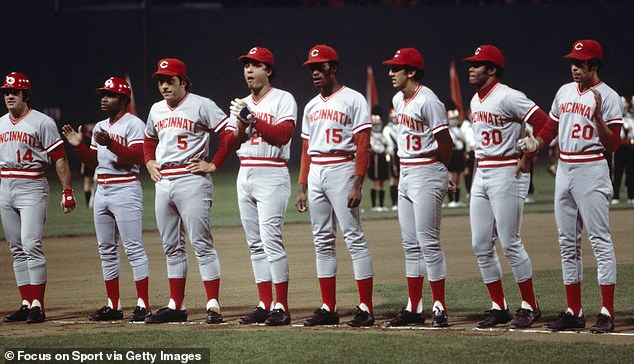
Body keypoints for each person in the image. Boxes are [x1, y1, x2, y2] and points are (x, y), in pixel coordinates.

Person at [519, 39, 623, 333]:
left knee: (600, 241)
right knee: (567, 243)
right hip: (565, 168)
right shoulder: (564, 91)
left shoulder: (609, 96)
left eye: (581, 63)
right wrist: (536, 142)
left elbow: (612, 144)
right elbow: (551, 127)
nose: (575, 67)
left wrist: (599, 118)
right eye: (573, 62)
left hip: (592, 167)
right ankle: (574, 311)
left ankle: (606, 312)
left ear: (595, 66)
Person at [464, 45, 549, 329]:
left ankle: (530, 305)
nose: (471, 68)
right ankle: (499, 306)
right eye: (471, 64)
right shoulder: (476, 100)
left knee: (510, 242)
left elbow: (543, 122)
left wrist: (529, 154)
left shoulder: (509, 96)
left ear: (492, 69)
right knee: (480, 244)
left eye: (478, 64)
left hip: (506, 172)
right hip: (483, 171)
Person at [143, 58, 233, 324]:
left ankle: (213, 304)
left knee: (201, 243)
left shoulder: (202, 104)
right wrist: (148, 161)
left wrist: (213, 163)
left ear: (183, 81)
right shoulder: (156, 109)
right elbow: (148, 138)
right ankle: (176, 305)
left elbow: (228, 133)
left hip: (193, 179)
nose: (164, 86)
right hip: (164, 181)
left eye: (169, 80)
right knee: (171, 246)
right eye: (160, 81)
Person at [295, 44, 375, 327]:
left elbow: (363, 144)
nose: (315, 72)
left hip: (343, 167)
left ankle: (365, 307)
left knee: (354, 237)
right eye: (311, 68)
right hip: (317, 170)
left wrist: (358, 183)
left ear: (334, 68)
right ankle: (328, 307)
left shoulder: (353, 99)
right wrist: (302, 185)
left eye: (320, 66)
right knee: (322, 239)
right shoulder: (311, 105)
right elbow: (306, 148)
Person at [61, 77, 151, 322]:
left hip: (126, 189)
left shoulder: (133, 123)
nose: (103, 98)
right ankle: (113, 305)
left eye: (109, 95)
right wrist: (80, 146)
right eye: (103, 94)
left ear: (123, 99)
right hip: (103, 191)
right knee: (106, 249)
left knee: (133, 247)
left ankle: (143, 304)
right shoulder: (100, 125)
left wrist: (111, 143)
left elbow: (136, 157)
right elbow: (94, 162)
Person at [381, 48, 453, 328]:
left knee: (429, 243)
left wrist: (442, 171)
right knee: (410, 245)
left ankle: (439, 307)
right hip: (407, 172)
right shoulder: (398, 99)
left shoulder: (428, 100)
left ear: (410, 72)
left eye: (395, 68)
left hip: (427, 170)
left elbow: (446, 143)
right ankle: (413, 307)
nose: (390, 73)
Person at [227, 46, 297, 326]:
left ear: (268, 70)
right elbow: (232, 144)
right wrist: (242, 127)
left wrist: (251, 118)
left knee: (271, 241)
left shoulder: (283, 98)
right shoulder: (242, 103)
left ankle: (281, 305)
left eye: (255, 65)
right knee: (255, 244)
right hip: (245, 173)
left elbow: (283, 135)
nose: (249, 71)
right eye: (246, 65)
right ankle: (264, 303)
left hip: (272, 173)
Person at [0, 72, 76, 324]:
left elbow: (60, 158)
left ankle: (38, 306)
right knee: (16, 248)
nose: (9, 95)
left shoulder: (42, 122)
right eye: (6, 92)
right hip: (5, 185)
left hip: (32, 185)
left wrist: (67, 191)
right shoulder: (1, 123)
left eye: (15, 92)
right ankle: (25, 302)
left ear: (26, 95)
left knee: (31, 243)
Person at [610, 97, 634, 204]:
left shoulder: (631, 119)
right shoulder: (616, 120)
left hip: (630, 148)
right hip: (619, 148)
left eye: (625, 108)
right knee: (618, 172)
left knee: (631, 172)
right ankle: (616, 196)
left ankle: (631, 195)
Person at [367, 110, 389, 211]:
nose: (377, 126)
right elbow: (377, 148)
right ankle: (374, 205)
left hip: (382, 159)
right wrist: (382, 147)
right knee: (375, 182)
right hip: (375, 159)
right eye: (375, 124)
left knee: (382, 182)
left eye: (378, 124)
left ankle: (381, 205)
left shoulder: (382, 135)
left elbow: (387, 146)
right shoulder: (371, 136)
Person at [446, 108, 467, 207]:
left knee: (459, 178)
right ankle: (451, 200)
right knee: (452, 178)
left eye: (455, 118)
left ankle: (457, 200)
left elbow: (464, 141)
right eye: (452, 119)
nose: (454, 120)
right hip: (452, 154)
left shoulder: (460, 129)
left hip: (459, 153)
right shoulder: (448, 130)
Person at [383, 108, 399, 210]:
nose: (395, 119)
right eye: (393, 117)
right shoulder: (387, 129)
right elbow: (388, 143)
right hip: (393, 155)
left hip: (402, 155)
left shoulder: (401, 127)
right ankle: (394, 203)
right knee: (394, 179)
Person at [79, 120, 96, 207]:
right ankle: (88, 203)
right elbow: (83, 152)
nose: (91, 126)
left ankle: (93, 202)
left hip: (96, 162)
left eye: (92, 124)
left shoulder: (96, 136)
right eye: (89, 125)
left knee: (95, 182)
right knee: (87, 181)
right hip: (87, 162)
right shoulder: (85, 137)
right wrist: (82, 166)